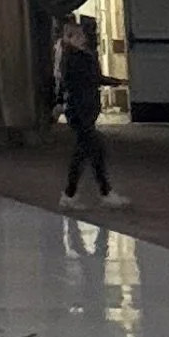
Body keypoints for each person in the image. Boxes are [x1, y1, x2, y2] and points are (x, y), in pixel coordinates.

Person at [54, 15, 114, 203]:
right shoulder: (73, 59)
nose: (83, 39)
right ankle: (98, 192)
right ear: (69, 38)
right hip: (79, 110)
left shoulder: (80, 57)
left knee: (86, 153)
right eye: (78, 37)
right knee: (92, 150)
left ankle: (76, 193)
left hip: (85, 108)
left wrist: (113, 81)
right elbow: (84, 80)